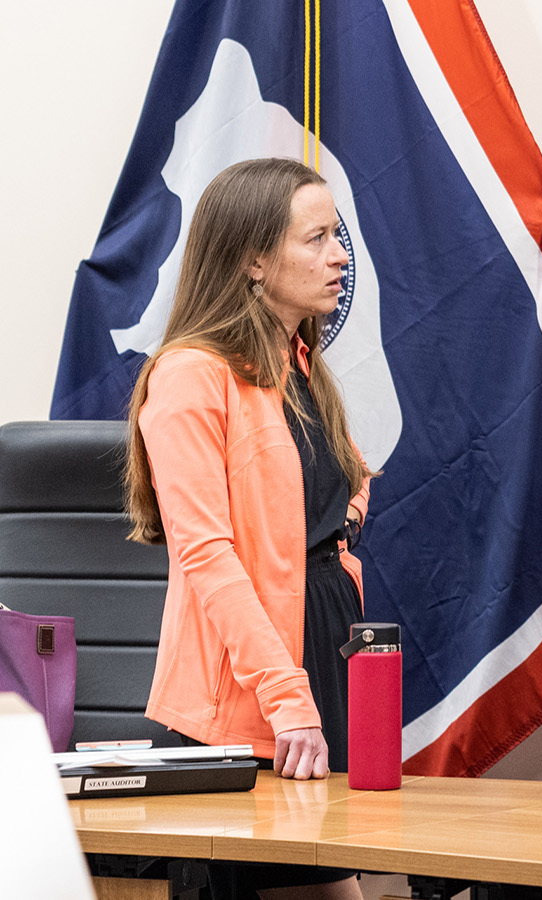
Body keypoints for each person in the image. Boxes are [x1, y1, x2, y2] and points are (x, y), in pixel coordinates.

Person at [124, 157, 374, 898]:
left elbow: (335, 483)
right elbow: (209, 556)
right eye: (318, 238)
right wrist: (287, 695)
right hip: (249, 693)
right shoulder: (191, 375)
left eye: (339, 236)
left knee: (331, 878)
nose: (339, 256)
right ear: (253, 259)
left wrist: (342, 520)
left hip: (317, 650)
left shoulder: (300, 362)